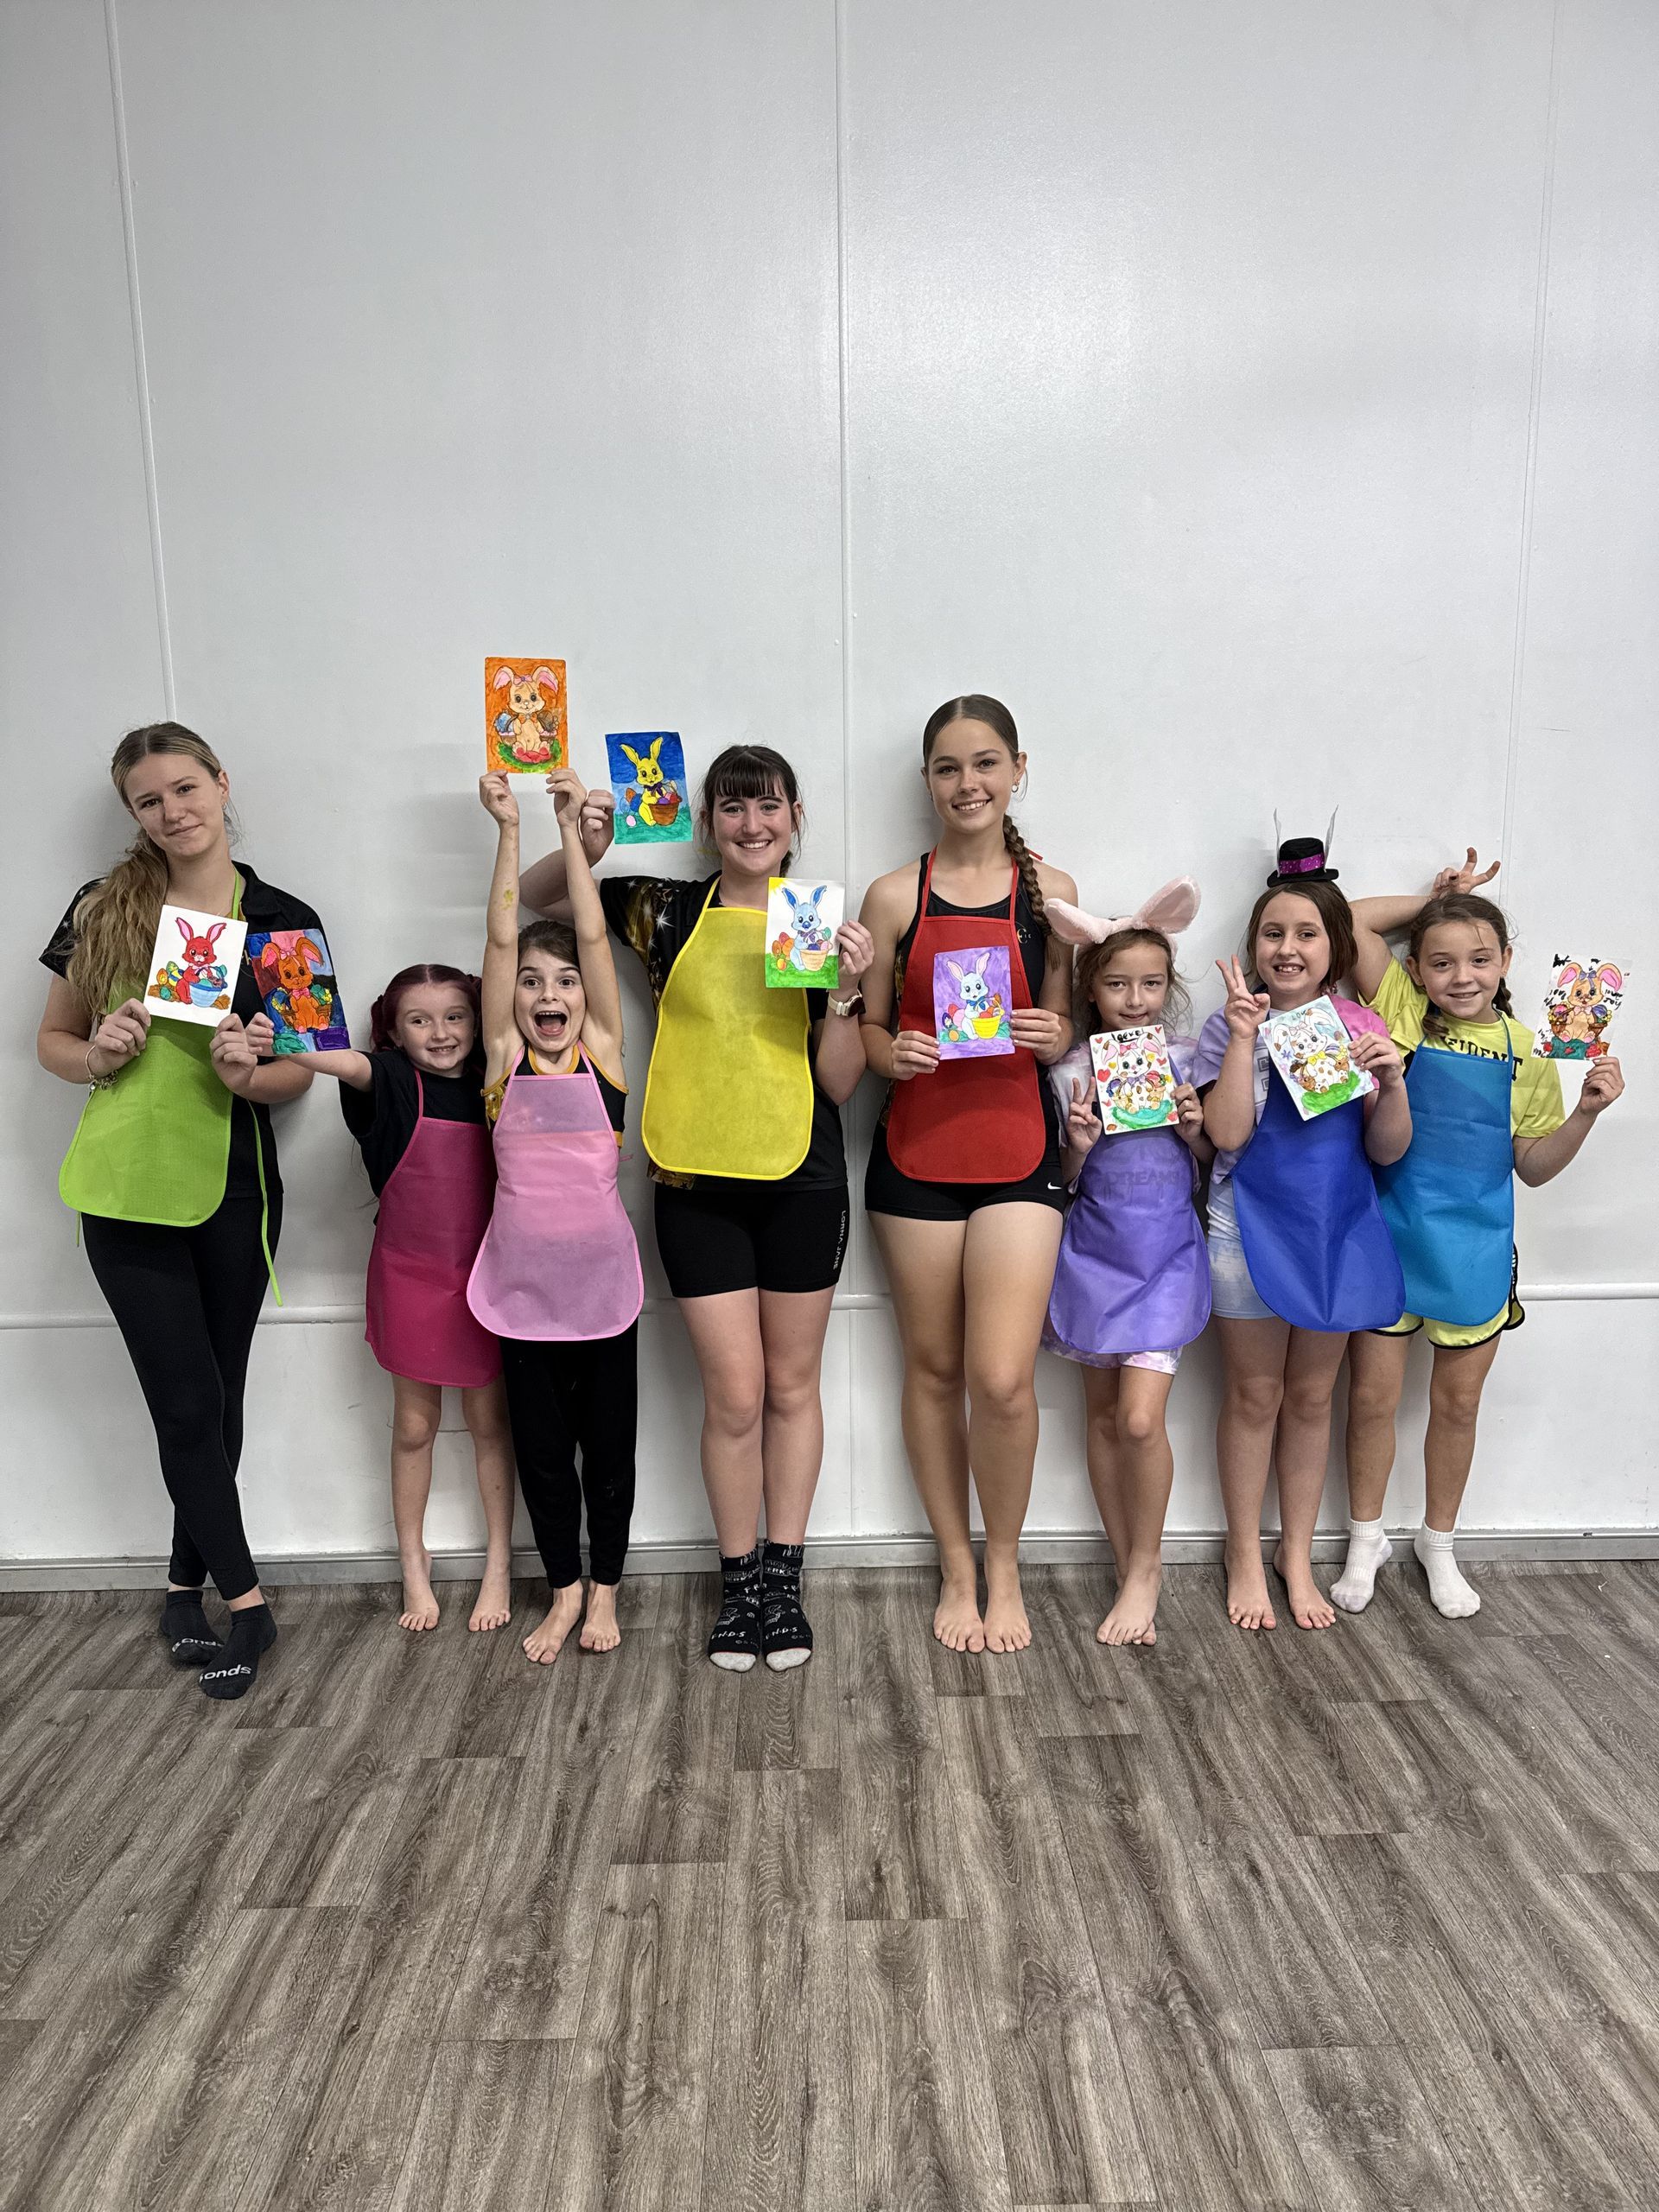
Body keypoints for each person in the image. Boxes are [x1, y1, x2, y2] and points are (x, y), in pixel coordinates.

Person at [518, 746, 872, 1672]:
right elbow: (539, 896)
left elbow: (837, 1081)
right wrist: (585, 845)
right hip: (693, 1182)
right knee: (736, 1394)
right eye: (732, 809)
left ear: (796, 815)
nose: (751, 825)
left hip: (804, 1176)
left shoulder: (818, 920)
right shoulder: (662, 908)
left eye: (768, 808)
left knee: (793, 1387)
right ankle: (739, 1575)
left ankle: (785, 1576)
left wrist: (845, 996)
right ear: (707, 820)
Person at [35, 723, 331, 1699]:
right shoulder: (104, 907)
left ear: (220, 783)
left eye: (185, 787)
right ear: (133, 814)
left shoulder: (284, 918)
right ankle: (247, 1604)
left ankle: (178, 1587)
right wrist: (102, 1053)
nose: (172, 810)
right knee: (186, 1403)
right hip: (125, 1188)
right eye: (149, 799)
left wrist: (254, 1073)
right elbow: (53, 1043)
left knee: (217, 1402)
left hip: (235, 1189)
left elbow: (301, 1074)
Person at [1334, 851, 1625, 1618]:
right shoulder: (1396, 1006)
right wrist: (1438, 902)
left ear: (1506, 963)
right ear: (1416, 969)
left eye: (1479, 959)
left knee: (1457, 1409)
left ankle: (1439, 1547)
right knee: (1370, 1400)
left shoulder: (1532, 1049)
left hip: (1477, 1252)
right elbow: (1348, 918)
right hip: (1390, 1240)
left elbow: (1532, 1166)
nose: (1462, 976)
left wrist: (1586, 1114)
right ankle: (1366, 1540)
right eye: (1442, 960)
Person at [858, 696, 1077, 1656]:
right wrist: (887, 1050)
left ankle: (1004, 1562)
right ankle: (955, 1562)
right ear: (926, 781)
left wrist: (1052, 1031)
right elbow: (862, 1027)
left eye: (985, 763)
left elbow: (1068, 1021)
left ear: (1018, 768)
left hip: (1020, 1149)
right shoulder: (893, 896)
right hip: (916, 1152)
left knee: (1001, 1378)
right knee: (936, 1368)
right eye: (948, 768)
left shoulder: (1053, 890)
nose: (968, 784)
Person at [247, 965, 514, 1635]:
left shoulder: (499, 1085)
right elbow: (337, 1060)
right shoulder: (390, 1081)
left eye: (455, 1016)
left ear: (479, 1022)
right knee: (415, 1429)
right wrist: (275, 1033)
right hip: (410, 1276)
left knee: (490, 1426)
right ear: (392, 1033)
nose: (441, 1032)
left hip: (488, 1276)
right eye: (419, 1020)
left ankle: (500, 1565)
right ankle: (414, 1571)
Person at [1194, 833, 1410, 1632]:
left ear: (1335, 947)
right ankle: (1244, 1552)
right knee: (1255, 1394)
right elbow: (1226, 1136)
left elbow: (1386, 1149)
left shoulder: (1359, 1023)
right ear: (1253, 945)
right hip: (1243, 1230)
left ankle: (1295, 1554)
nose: (1288, 949)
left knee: (1314, 1397)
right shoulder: (1230, 1026)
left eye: (1307, 934)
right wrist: (1245, 1037)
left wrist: (1389, 1081)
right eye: (1273, 934)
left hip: (1336, 1232)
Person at [472, 768, 645, 1662]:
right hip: (522, 1296)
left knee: (606, 1455)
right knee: (543, 1457)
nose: (547, 994)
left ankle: (606, 1591)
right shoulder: (500, 1059)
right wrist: (509, 829)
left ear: (586, 995)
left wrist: (570, 830)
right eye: (533, 984)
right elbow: (501, 939)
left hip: (605, 1293)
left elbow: (590, 929)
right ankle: (565, 1591)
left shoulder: (604, 1055)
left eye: (566, 982)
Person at [1042, 879, 1212, 1646]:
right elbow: (1063, 1183)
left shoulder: (1187, 1057)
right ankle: (1125, 1566)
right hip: (1092, 1259)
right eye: (1117, 984)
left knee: (1142, 1421)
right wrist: (1077, 1148)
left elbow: (1213, 1161)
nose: (1136, 1000)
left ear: (1168, 987)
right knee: (1105, 1422)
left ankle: (1147, 1569)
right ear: (1091, 987)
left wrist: (1195, 1130)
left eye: (1150, 984)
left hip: (1168, 1258)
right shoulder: (1070, 1069)